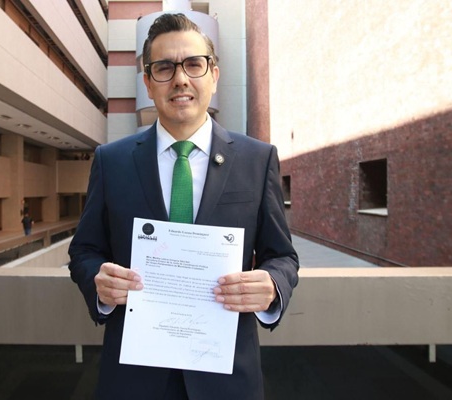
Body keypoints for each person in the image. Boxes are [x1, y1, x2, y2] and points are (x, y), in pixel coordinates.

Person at [68, 13, 299, 400]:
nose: (180, 79)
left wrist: (272, 286)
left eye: (194, 64)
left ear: (214, 76)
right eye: (164, 68)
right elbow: (84, 251)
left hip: (227, 380)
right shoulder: (112, 161)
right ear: (147, 82)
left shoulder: (257, 160)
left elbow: (283, 256)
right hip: (133, 380)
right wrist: (98, 281)